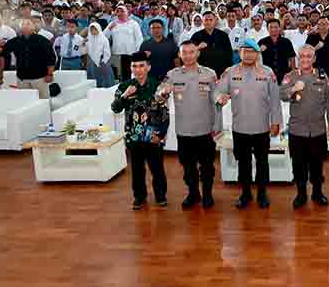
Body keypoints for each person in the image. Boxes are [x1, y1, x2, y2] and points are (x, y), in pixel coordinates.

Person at [215, 39, 282, 208]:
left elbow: (275, 100)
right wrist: (219, 98)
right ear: (239, 53)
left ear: (257, 53)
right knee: (243, 163)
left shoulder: (268, 72)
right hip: (240, 128)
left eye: (252, 51)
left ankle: (262, 194)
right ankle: (245, 194)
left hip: (261, 128)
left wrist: (275, 122)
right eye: (245, 51)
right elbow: (217, 91)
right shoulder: (230, 72)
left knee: (262, 162)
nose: (248, 54)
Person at [280, 45, 329, 209]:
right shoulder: (290, 76)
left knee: (317, 164)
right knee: (298, 165)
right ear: (298, 58)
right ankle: (301, 194)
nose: (305, 59)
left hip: (318, 130)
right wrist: (293, 89)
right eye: (302, 56)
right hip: (297, 130)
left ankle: (317, 192)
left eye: (309, 56)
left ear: (314, 59)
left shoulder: (321, 76)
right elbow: (282, 95)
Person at [111, 53, 171, 211]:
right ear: (131, 68)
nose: (138, 70)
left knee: (157, 168)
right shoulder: (124, 86)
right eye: (134, 66)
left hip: (153, 136)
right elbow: (115, 108)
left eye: (141, 66)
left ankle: (160, 195)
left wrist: (160, 135)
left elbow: (164, 113)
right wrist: (125, 96)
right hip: (133, 136)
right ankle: (139, 197)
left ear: (148, 67)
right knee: (137, 170)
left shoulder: (157, 86)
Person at [167, 41, 222, 209]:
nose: (188, 56)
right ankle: (193, 193)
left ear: (197, 54)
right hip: (184, 130)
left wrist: (220, 99)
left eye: (192, 52)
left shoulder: (209, 74)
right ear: (179, 55)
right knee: (188, 166)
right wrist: (162, 93)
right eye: (185, 53)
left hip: (205, 129)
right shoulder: (172, 75)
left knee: (207, 166)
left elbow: (216, 96)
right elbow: (160, 94)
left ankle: (207, 194)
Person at [4, 19, 57, 99]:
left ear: (33, 27)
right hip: (22, 78)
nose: (25, 26)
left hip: (39, 77)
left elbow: (51, 58)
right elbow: (2, 51)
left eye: (28, 24)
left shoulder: (42, 40)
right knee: (25, 101)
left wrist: (50, 74)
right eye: (23, 24)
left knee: (43, 100)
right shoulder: (15, 41)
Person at [189, 11, 233, 77]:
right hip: (202, 73)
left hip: (221, 71)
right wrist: (198, 47)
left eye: (211, 20)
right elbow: (189, 53)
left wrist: (227, 70)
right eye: (206, 20)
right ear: (202, 21)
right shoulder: (196, 36)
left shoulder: (223, 35)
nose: (208, 22)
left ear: (215, 21)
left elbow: (229, 54)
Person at [106, 6, 144, 82]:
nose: (120, 13)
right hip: (117, 53)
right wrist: (109, 29)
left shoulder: (133, 23)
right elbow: (104, 37)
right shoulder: (112, 23)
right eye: (118, 11)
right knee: (119, 75)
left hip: (130, 53)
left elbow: (139, 39)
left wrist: (137, 52)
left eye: (122, 11)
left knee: (129, 74)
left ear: (126, 12)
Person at [258, 18, 297, 83]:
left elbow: (292, 57)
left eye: (276, 27)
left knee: (283, 92)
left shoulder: (286, 41)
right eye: (271, 27)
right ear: (267, 29)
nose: (273, 29)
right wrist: (259, 51)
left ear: (279, 28)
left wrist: (292, 72)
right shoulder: (262, 42)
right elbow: (255, 57)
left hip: (284, 74)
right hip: (267, 75)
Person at [84, 23, 115, 87]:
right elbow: (85, 50)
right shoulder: (89, 39)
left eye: (95, 29)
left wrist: (104, 61)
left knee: (105, 77)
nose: (93, 31)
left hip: (102, 61)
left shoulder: (103, 39)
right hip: (92, 62)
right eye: (91, 30)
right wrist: (83, 43)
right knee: (94, 77)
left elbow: (107, 52)